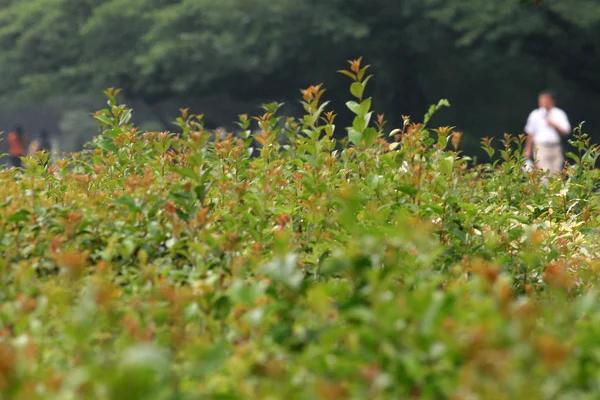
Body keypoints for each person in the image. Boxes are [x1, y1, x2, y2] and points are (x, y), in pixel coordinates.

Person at [523, 90, 571, 176]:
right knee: (544, 172)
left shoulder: (559, 114)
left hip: (555, 147)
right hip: (541, 147)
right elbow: (531, 133)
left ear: (552, 101)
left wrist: (554, 125)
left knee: (556, 172)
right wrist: (528, 150)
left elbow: (566, 131)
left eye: (545, 99)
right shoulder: (535, 114)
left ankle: (554, 189)